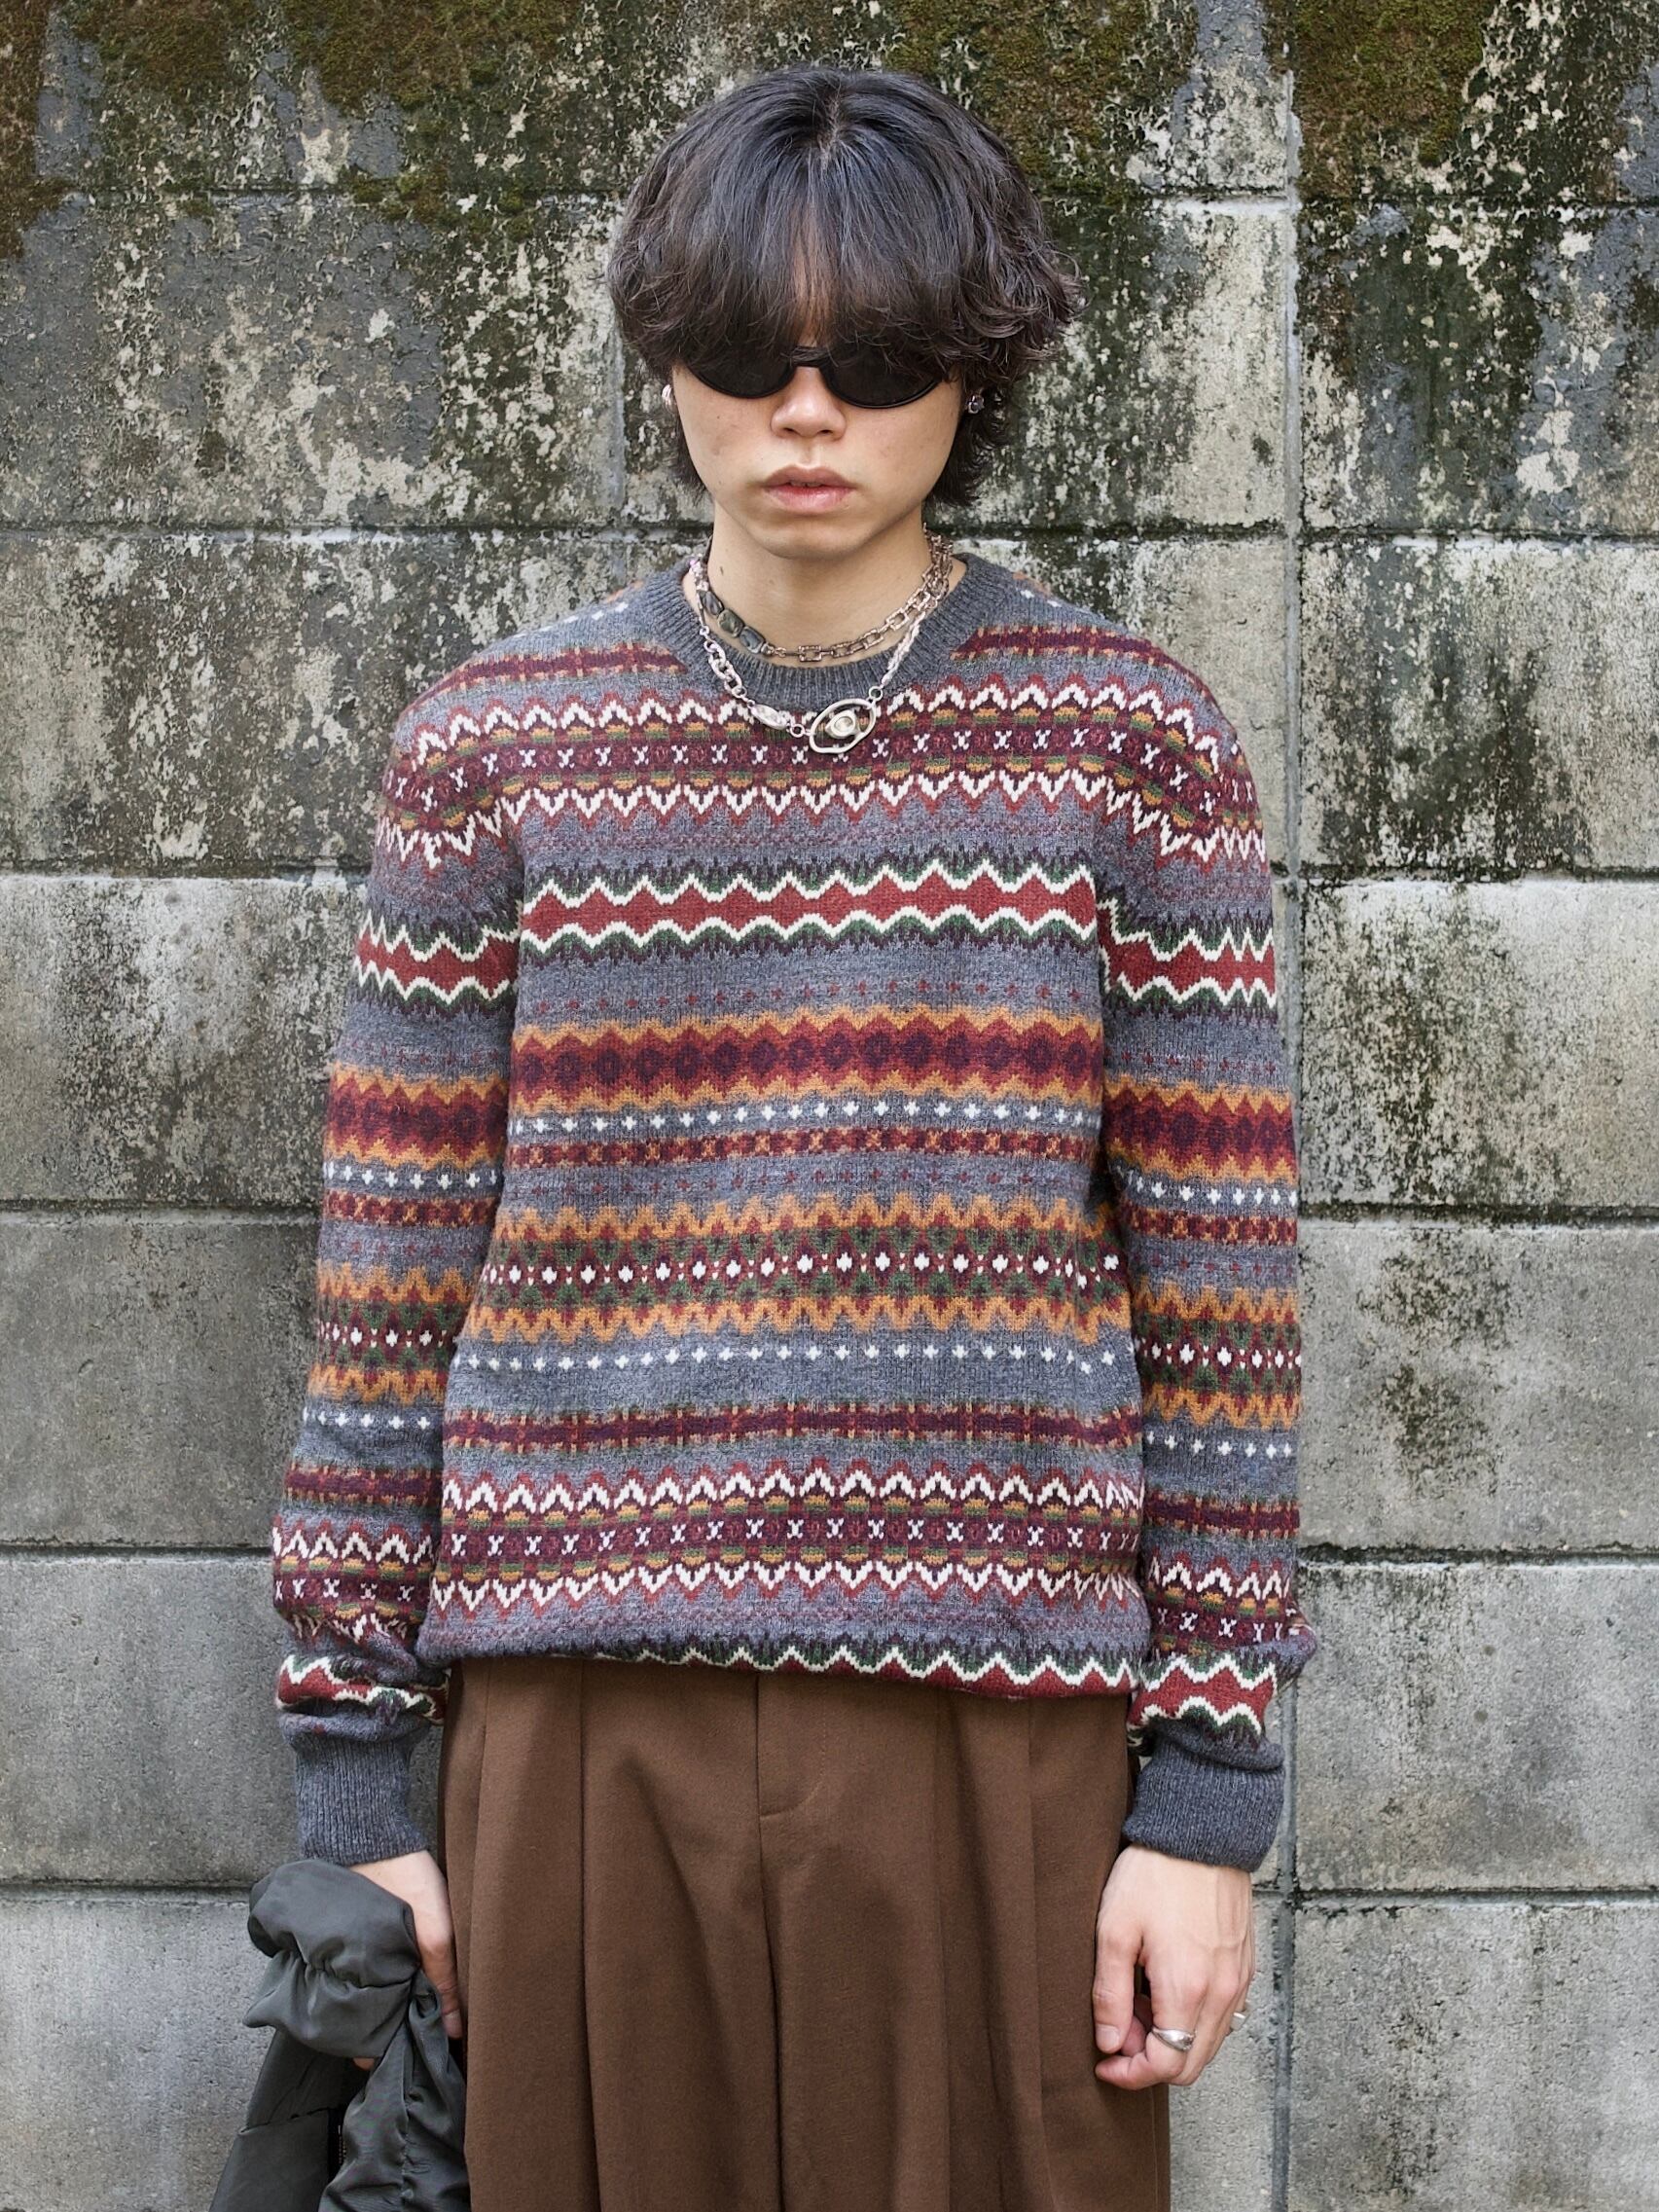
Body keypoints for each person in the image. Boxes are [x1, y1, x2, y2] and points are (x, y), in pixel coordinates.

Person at [268, 58, 1317, 2211]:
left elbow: (1221, 1308)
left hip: (1004, 1728)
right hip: (577, 1711)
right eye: (751, 352)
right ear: (671, 358)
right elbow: (388, 1288)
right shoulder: (493, 751)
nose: (807, 411)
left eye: (876, 357)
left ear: (973, 367)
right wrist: (353, 1777)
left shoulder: (1128, 747)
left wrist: (1206, 1800)